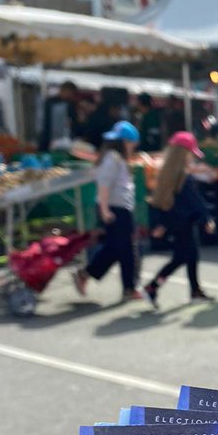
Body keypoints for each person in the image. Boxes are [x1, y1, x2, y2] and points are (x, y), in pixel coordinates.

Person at [142, 132, 216, 307]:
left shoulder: (167, 174)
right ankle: (152, 287)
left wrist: (162, 223)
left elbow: (162, 200)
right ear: (184, 154)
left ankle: (194, 290)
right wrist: (207, 219)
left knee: (189, 256)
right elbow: (195, 201)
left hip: (175, 222)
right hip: (185, 222)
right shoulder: (184, 177)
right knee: (182, 257)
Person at [74, 120, 143, 302]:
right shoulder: (113, 159)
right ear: (124, 142)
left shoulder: (111, 158)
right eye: (131, 143)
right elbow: (104, 185)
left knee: (115, 247)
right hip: (116, 208)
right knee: (126, 249)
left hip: (118, 207)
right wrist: (104, 209)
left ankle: (86, 274)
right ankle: (129, 287)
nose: (133, 147)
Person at [39, 80, 78, 152]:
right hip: (48, 138)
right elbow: (45, 122)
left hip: (64, 141)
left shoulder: (70, 104)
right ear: (64, 90)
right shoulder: (50, 102)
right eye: (70, 93)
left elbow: (73, 122)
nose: (71, 95)